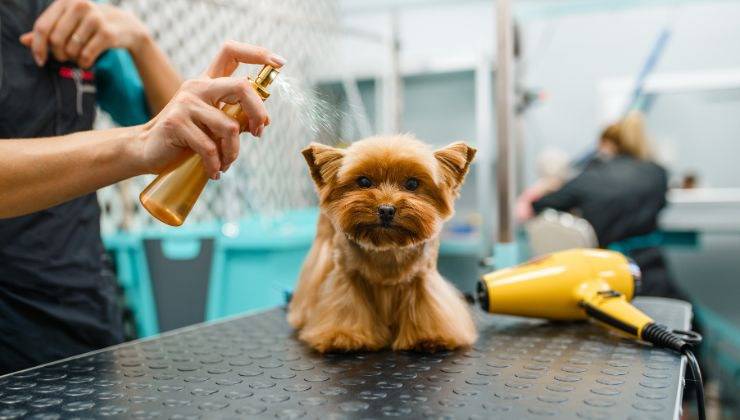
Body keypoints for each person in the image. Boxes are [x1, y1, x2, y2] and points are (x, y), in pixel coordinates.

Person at [0, 0, 283, 374]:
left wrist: (139, 39)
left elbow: (176, 134)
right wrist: (140, 141)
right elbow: (150, 135)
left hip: (82, 293)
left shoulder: (81, 19)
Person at [530, 112, 686, 299]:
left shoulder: (591, 177)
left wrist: (552, 186)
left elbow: (541, 205)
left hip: (611, 272)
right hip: (653, 270)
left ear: (606, 145)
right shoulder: (657, 173)